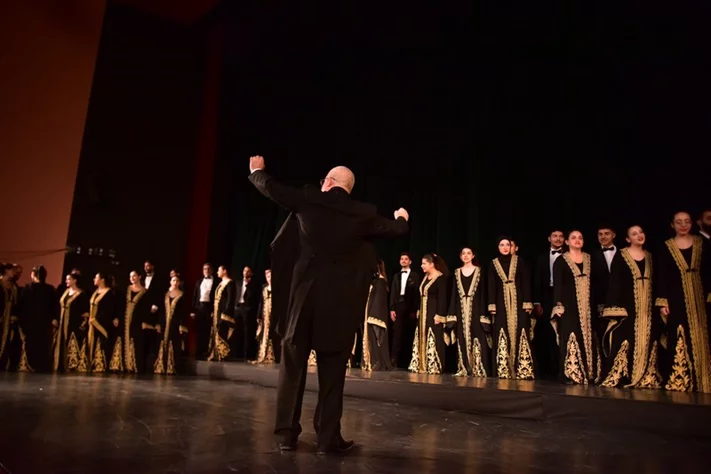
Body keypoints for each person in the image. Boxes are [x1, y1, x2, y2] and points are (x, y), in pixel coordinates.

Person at [248, 155, 409, 454]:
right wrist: (402, 217)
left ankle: (287, 435)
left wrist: (257, 171)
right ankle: (327, 440)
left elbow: (273, 188)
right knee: (333, 375)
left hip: (303, 303)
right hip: (339, 307)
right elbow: (396, 230)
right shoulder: (362, 214)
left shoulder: (311, 199)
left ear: (329, 182)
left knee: (293, 369)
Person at [655, 211, 711, 392]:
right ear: (673, 225)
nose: (683, 225)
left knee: (703, 333)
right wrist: (663, 302)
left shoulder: (702, 243)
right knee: (679, 333)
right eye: (679, 222)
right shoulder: (666, 246)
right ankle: (682, 380)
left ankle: (705, 378)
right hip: (676, 297)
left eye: (686, 221)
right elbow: (662, 275)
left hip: (701, 295)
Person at [600, 225, 661, 388]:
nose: (639, 235)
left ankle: (645, 374)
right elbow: (615, 282)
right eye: (634, 234)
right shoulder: (621, 255)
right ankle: (624, 374)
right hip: (628, 307)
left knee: (648, 338)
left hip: (647, 306)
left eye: (641, 232)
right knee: (625, 338)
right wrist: (615, 308)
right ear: (628, 239)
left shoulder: (649, 256)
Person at [551, 230, 601, 385]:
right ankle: (572, 372)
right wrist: (559, 305)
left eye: (580, 237)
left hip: (589, 305)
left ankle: (591, 372)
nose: (577, 240)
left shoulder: (590, 259)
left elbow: (598, 282)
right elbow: (558, 284)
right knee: (572, 334)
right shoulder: (561, 260)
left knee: (590, 335)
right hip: (569, 305)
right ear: (567, 242)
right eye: (574, 238)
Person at [487, 237, 535, 380]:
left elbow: (525, 282)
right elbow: (491, 285)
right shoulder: (493, 264)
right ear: (498, 247)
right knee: (503, 331)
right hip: (501, 302)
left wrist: (527, 302)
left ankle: (522, 368)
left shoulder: (519, 261)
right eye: (502, 245)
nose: (505, 247)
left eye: (507, 245)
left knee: (521, 330)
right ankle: (504, 369)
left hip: (518, 301)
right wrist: (492, 305)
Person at [447, 247, 490, 377]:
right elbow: (454, 294)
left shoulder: (479, 271)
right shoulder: (457, 272)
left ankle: (478, 367)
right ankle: (464, 367)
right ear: (460, 256)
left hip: (476, 308)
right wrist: (452, 313)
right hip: (461, 309)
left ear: (473, 256)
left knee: (477, 335)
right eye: (463, 254)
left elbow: (483, 293)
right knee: (462, 336)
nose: (466, 256)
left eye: (468, 253)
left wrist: (484, 313)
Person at [409, 253, 449, 374]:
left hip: (433, 312)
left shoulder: (440, 277)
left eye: (424, 263)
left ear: (432, 264)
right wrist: (419, 309)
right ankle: (421, 363)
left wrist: (440, 315)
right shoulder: (425, 277)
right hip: (424, 312)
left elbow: (443, 298)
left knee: (434, 336)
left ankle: (434, 364)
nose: (422, 266)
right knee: (422, 334)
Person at [19, 265, 57, 372]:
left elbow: (23, 305)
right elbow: (54, 306)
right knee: (43, 344)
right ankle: (42, 365)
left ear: (33, 275)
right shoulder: (50, 289)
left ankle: (30, 364)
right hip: (44, 323)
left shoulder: (28, 288)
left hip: (31, 323)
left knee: (32, 343)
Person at [52, 272, 89, 371]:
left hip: (73, 324)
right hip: (61, 323)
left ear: (74, 281)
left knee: (71, 343)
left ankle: (70, 365)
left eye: (68, 279)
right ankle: (58, 365)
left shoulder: (81, 294)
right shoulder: (65, 292)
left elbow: (85, 311)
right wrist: (56, 318)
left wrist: (82, 323)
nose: (66, 281)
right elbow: (58, 307)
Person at [361, 260, 393, 371]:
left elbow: (379, 301)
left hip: (374, 314)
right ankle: (369, 361)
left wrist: (373, 316)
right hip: (368, 312)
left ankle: (376, 362)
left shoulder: (380, 281)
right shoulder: (374, 281)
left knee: (374, 337)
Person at [154, 275, 188, 374]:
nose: (175, 282)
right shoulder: (165, 294)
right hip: (164, 323)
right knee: (162, 342)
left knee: (174, 343)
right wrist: (159, 324)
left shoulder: (182, 295)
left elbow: (183, 311)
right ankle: (161, 366)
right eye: (174, 280)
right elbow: (161, 311)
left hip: (175, 323)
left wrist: (182, 325)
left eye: (177, 280)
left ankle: (172, 367)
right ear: (170, 282)